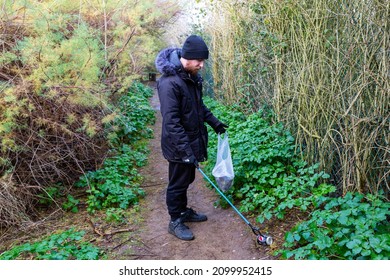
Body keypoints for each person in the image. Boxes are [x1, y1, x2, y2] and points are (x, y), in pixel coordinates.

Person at [155, 35, 228, 241]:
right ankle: (175, 220)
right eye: (199, 61)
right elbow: (172, 122)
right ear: (187, 58)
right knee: (177, 183)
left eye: (203, 61)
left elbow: (198, 106)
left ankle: (183, 211)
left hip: (191, 141)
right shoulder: (169, 83)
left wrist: (214, 122)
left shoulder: (191, 77)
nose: (201, 65)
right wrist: (186, 152)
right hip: (178, 145)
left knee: (187, 179)